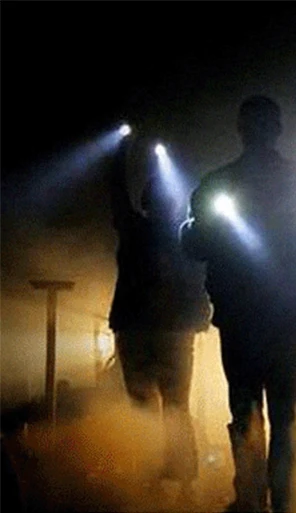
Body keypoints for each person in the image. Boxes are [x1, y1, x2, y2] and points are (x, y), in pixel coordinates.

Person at [181, 95, 296, 512]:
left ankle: (255, 498)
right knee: (279, 412)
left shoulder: (220, 182)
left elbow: (195, 244)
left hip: (248, 317)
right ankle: (278, 499)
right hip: (276, 317)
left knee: (254, 411)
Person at [107, 134, 211, 502]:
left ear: (146, 203)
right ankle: (182, 483)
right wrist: (201, 315)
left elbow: (116, 192)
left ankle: (151, 481)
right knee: (176, 406)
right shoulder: (185, 236)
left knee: (143, 406)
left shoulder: (134, 229)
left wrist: (120, 151)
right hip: (172, 331)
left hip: (138, 329)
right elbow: (201, 280)